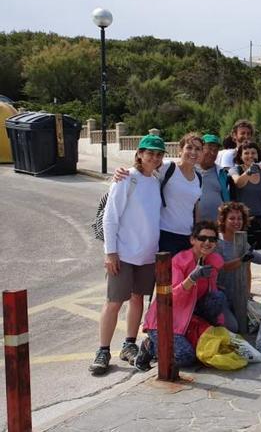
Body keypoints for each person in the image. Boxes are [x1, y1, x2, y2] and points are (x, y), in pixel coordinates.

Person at [90, 135, 165, 375]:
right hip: (123, 254)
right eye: (150, 152)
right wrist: (110, 252)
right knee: (114, 302)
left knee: (137, 300)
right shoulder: (125, 180)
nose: (154, 157)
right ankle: (103, 351)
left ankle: (129, 345)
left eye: (159, 153)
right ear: (140, 154)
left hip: (147, 255)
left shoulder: (155, 181)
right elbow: (110, 217)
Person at [135, 221, 227, 371]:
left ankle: (198, 336)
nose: (207, 242)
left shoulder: (213, 261)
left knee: (218, 297)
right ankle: (150, 346)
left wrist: (218, 328)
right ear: (192, 240)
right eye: (202, 238)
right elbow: (170, 298)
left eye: (212, 239)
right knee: (185, 356)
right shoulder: (179, 261)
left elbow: (212, 295)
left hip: (191, 318)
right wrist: (192, 278)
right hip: (167, 320)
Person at [112, 133, 205, 256]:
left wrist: (197, 233)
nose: (193, 152)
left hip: (188, 236)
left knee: (184, 275)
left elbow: (195, 207)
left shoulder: (199, 177)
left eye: (198, 149)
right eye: (189, 148)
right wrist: (121, 172)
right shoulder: (168, 167)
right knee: (164, 275)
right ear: (180, 150)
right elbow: (144, 166)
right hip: (165, 235)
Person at [216, 202, 261, 320]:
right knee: (233, 327)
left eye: (239, 218)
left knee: (242, 325)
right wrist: (241, 260)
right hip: (221, 296)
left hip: (239, 296)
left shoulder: (242, 240)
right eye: (232, 218)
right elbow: (222, 267)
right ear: (223, 220)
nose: (236, 222)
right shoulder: (217, 242)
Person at [229, 141, 261, 250]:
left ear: (258, 155)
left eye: (253, 153)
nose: (250, 156)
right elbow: (238, 183)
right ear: (240, 156)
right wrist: (248, 172)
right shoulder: (235, 170)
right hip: (240, 222)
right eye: (246, 153)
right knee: (242, 258)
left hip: (260, 221)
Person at [196, 134, 231, 223]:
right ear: (200, 149)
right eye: (209, 149)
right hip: (192, 225)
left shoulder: (221, 173)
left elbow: (226, 198)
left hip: (216, 226)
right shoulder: (190, 169)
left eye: (215, 150)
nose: (212, 153)